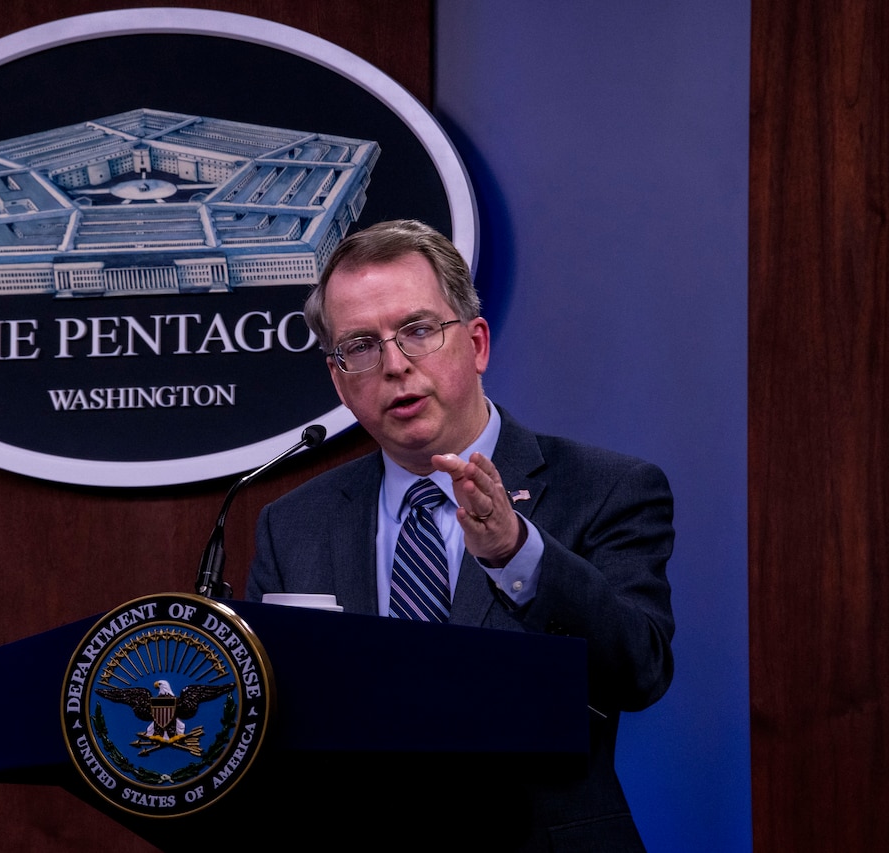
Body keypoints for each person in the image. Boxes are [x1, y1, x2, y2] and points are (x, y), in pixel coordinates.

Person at [247, 219, 675, 851]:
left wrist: (514, 551)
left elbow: (638, 671)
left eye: (417, 330)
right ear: (339, 380)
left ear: (476, 344)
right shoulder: (295, 523)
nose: (393, 364)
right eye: (361, 345)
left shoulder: (606, 487)